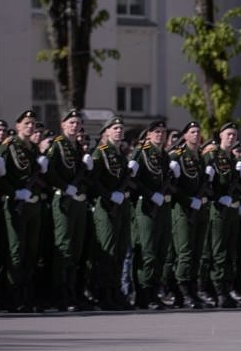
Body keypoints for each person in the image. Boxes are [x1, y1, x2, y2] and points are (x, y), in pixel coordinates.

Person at [0, 110, 45, 313]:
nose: (30, 126)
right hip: (15, 203)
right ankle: (13, 296)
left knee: (31, 251)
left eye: (33, 123)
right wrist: (14, 192)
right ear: (17, 126)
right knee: (16, 251)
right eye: (26, 123)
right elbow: (0, 175)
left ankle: (27, 295)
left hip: (32, 204)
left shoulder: (32, 148)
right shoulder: (9, 146)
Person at [44, 109, 90, 312]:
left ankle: (72, 291)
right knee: (64, 246)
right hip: (63, 199)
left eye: (77, 122)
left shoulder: (77, 146)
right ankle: (60, 294)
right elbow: (50, 172)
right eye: (71, 122)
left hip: (77, 201)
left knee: (76, 247)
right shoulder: (57, 144)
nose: (74, 125)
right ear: (63, 124)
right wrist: (64, 187)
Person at [87, 116, 132, 310]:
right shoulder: (101, 152)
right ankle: (102, 293)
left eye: (121, 128)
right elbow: (94, 181)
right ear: (106, 132)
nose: (119, 131)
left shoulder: (120, 153)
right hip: (106, 207)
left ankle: (115, 291)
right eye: (115, 128)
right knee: (107, 251)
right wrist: (108, 196)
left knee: (120, 251)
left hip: (121, 206)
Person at [131, 120, 173, 310]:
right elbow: (133, 180)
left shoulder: (164, 155)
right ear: (148, 134)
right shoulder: (141, 153)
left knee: (161, 251)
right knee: (147, 252)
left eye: (163, 132)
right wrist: (150, 194)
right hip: (146, 206)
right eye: (156, 132)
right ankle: (143, 294)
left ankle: (154, 292)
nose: (160, 135)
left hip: (162, 205)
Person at [168, 121, 211, 308]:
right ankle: (182, 291)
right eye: (192, 131)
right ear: (185, 136)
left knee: (197, 252)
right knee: (184, 252)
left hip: (200, 208)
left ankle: (193, 289)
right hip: (183, 209)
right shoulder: (177, 156)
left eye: (198, 131)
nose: (196, 134)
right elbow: (172, 186)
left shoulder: (200, 157)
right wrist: (188, 201)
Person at [204, 121, 241, 309]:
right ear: (220, 136)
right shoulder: (213, 156)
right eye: (228, 134)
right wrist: (218, 198)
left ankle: (227, 288)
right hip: (218, 209)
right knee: (219, 252)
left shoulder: (234, 160)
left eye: (234, 134)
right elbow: (205, 185)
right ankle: (218, 290)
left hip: (232, 210)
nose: (232, 137)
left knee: (230, 251)